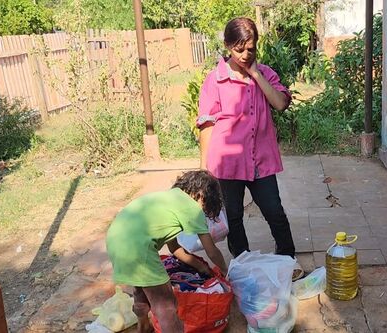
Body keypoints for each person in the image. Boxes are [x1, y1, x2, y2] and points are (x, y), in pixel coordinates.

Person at [197, 17, 303, 280]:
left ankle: (287, 258)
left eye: (250, 48)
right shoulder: (216, 80)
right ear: (227, 46)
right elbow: (206, 125)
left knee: (274, 211)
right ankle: (243, 264)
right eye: (238, 49)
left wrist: (256, 74)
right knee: (233, 217)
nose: (245, 55)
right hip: (227, 162)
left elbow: (279, 103)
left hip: (261, 160)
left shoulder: (265, 73)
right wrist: (205, 168)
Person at [106, 170, 228, 333]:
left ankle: (144, 326)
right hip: (138, 249)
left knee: (142, 286)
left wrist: (201, 267)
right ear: (200, 195)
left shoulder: (169, 199)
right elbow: (212, 251)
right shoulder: (192, 207)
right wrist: (227, 272)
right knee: (167, 306)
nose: (203, 209)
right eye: (206, 204)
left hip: (116, 238)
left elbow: (174, 248)